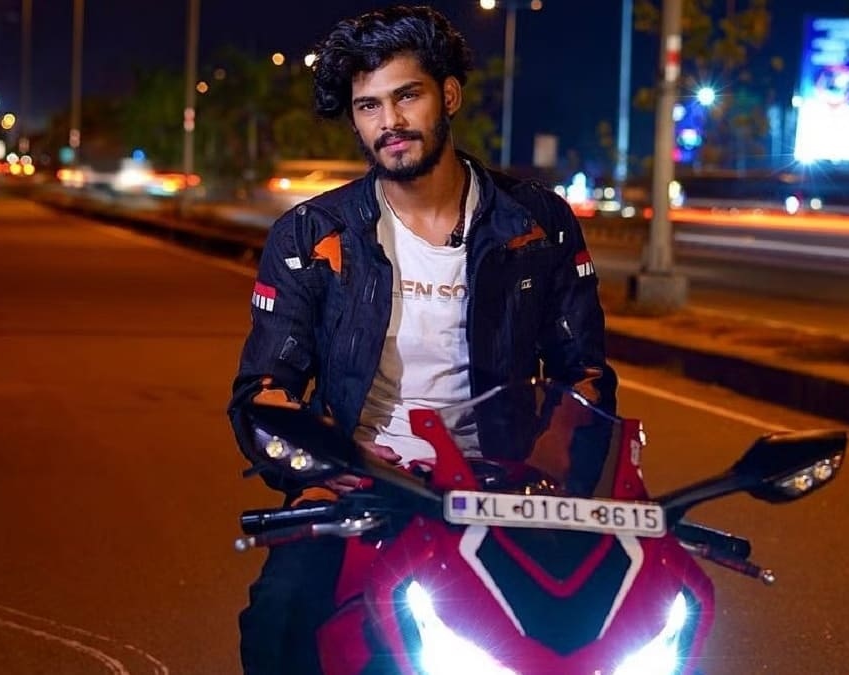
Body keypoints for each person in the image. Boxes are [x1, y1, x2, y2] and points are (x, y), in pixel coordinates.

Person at [226, 4, 617, 674]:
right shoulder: (311, 234)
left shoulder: (537, 223)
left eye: (407, 96)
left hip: (505, 489)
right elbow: (264, 391)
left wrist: (554, 466)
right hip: (361, 483)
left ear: (449, 95)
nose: (390, 122)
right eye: (369, 106)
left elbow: (585, 373)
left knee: (604, 623)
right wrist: (321, 467)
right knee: (277, 619)